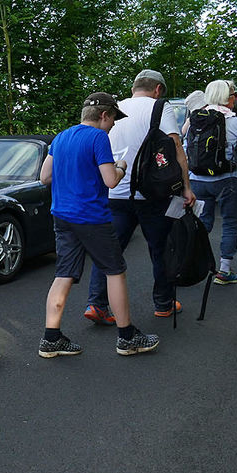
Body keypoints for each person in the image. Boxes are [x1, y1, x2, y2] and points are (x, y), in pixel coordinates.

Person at [38, 93, 160, 357]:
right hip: (92, 217)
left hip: (62, 214)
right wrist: (121, 166)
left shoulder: (61, 137)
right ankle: (127, 336)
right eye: (114, 118)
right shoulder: (98, 138)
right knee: (114, 271)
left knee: (64, 273)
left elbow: (45, 176)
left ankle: (51, 338)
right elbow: (110, 181)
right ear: (104, 115)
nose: (114, 125)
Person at [85, 69, 195, 322]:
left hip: (114, 191)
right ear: (157, 89)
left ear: (134, 86)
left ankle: (97, 304)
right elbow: (176, 147)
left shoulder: (113, 108)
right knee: (160, 248)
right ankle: (163, 303)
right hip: (152, 193)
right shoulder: (160, 107)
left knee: (110, 250)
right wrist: (186, 187)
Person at [188, 80, 237, 285]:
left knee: (203, 222)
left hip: (197, 179)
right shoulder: (235, 122)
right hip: (227, 180)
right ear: (227, 98)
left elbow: (185, 148)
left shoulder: (196, 119)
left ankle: (187, 261)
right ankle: (224, 270)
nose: (235, 99)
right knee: (230, 222)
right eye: (233, 95)